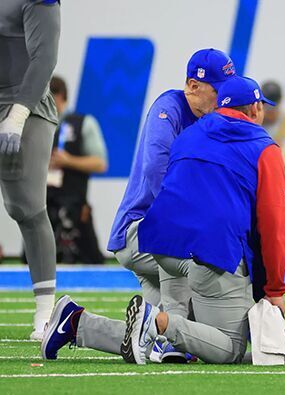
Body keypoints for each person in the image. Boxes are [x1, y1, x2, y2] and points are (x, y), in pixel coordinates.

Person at [41, 49, 236, 362]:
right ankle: (171, 340)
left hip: (163, 236)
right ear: (193, 86)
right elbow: (156, 171)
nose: (223, 98)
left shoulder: (210, 119)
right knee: (188, 306)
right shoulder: (168, 108)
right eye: (218, 90)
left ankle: (75, 324)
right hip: (141, 230)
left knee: (156, 334)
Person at [121, 76, 285, 365]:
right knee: (229, 348)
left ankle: (79, 324)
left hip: (162, 244)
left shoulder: (189, 134)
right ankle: (157, 322)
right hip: (210, 250)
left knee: (185, 326)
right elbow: (274, 227)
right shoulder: (263, 147)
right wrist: (273, 289)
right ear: (255, 108)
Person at [0, 0, 60, 340]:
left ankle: (45, 312)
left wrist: (18, 114)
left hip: (24, 103)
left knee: (26, 207)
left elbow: (44, 57)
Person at [46, 75, 108, 264]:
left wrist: (69, 161)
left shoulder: (82, 123)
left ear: (59, 96)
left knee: (92, 263)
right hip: (42, 206)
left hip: (73, 205)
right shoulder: (38, 125)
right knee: (33, 264)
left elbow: (100, 163)